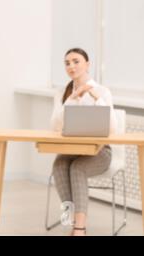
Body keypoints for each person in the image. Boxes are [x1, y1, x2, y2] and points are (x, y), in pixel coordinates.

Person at [51, 47, 117, 236]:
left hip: (100, 152)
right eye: (67, 63)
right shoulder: (62, 93)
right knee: (59, 164)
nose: (71, 66)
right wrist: (71, 99)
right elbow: (55, 125)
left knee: (78, 168)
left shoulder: (103, 91)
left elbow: (112, 127)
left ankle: (79, 228)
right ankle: (72, 219)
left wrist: (96, 98)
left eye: (76, 61)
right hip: (73, 149)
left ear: (87, 64)